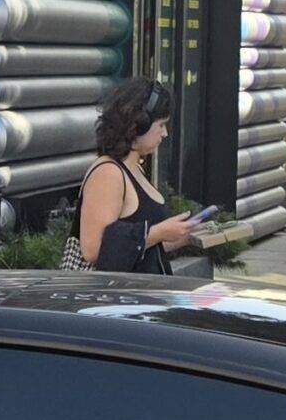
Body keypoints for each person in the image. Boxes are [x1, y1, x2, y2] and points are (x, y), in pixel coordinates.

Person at [77, 77, 202, 273]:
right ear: (139, 125)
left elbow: (141, 248)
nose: (165, 134)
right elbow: (94, 250)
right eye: (161, 125)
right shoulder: (108, 174)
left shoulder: (135, 168)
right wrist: (159, 232)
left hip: (140, 295)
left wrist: (183, 234)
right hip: (117, 298)